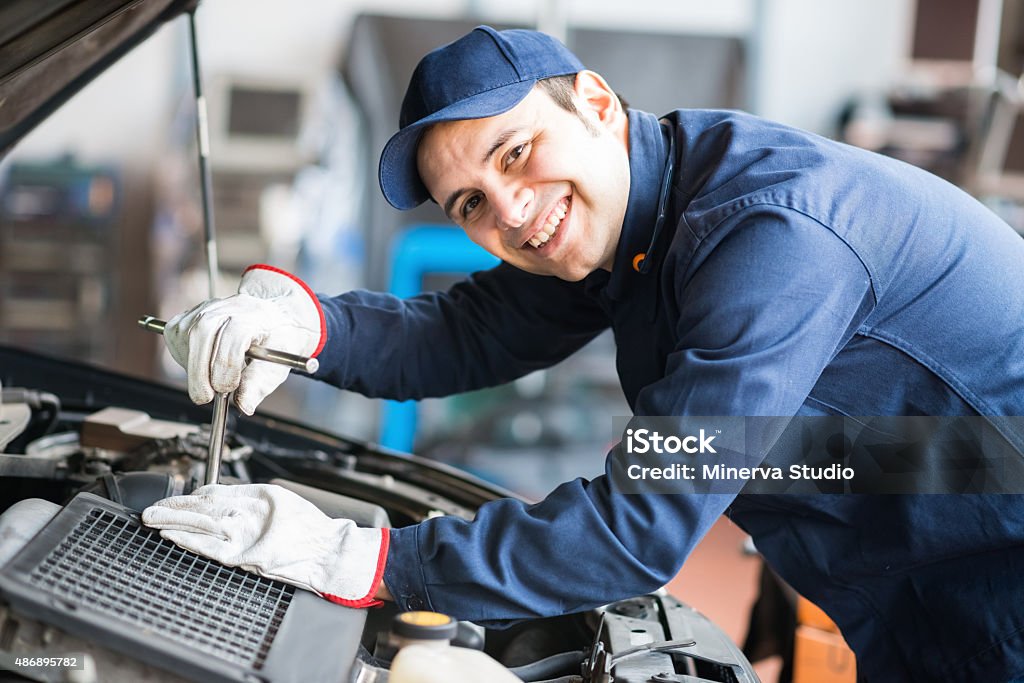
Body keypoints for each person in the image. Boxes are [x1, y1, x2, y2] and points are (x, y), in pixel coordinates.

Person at [141, 26, 1024, 681]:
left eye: (516, 153)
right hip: (912, 558)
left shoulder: (766, 237)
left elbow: (643, 520)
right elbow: (468, 330)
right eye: (470, 205)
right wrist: (311, 326)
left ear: (596, 103)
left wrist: (372, 561)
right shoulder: (630, 215)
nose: (512, 213)